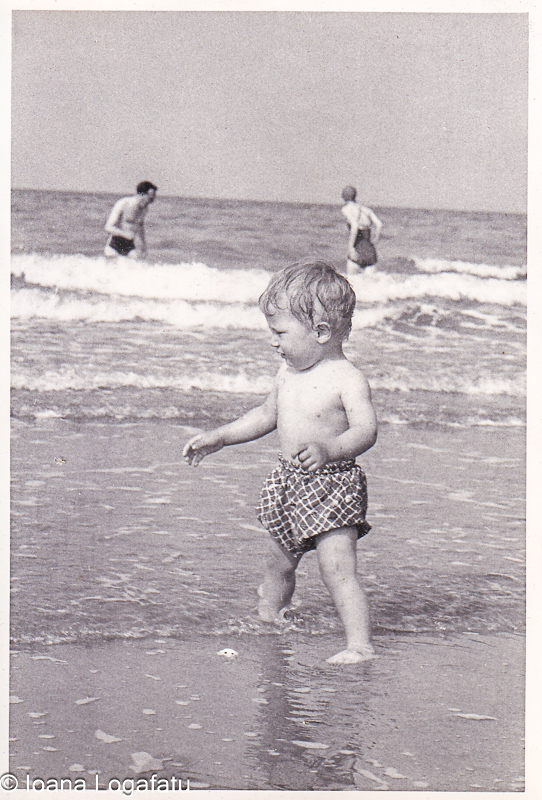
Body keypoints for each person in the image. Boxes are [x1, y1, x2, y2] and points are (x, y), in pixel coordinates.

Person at [183, 261, 378, 664]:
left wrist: (331, 449)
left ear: (321, 332)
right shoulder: (287, 371)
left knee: (336, 569)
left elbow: (366, 431)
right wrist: (220, 436)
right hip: (290, 484)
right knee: (277, 565)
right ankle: (269, 620)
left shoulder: (347, 378)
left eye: (280, 332)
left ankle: (359, 644)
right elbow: (266, 415)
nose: (273, 342)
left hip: (332, 486)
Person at [104, 181, 158, 259]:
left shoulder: (144, 209)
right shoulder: (124, 203)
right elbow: (108, 227)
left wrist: (143, 245)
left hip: (129, 244)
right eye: (151, 197)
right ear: (142, 194)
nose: (152, 200)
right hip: (114, 243)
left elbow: (140, 226)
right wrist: (125, 234)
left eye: (153, 197)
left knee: (137, 268)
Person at [341, 185, 382, 274]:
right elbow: (379, 225)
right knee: (371, 285)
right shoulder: (366, 210)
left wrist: (351, 248)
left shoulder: (346, 209)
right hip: (370, 253)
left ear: (343, 197)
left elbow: (355, 226)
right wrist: (375, 239)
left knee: (351, 283)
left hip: (357, 250)